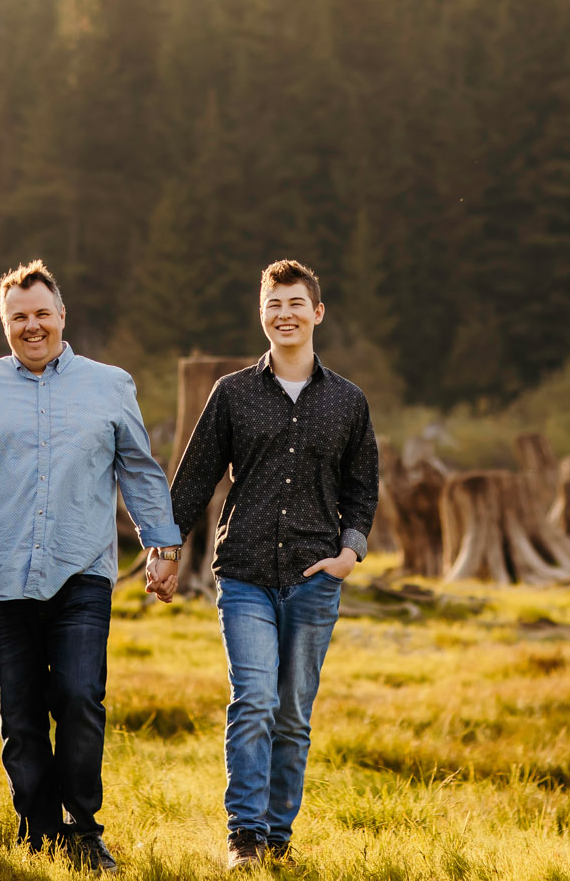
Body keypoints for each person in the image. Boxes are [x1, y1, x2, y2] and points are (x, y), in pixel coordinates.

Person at [0, 259, 183, 872]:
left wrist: (164, 546)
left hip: (81, 571)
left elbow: (140, 470)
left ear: (62, 316)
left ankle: (82, 825)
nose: (32, 326)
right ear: (4, 323)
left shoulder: (110, 385)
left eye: (42, 313)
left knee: (79, 696)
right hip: (1, 577)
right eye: (19, 317)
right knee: (18, 713)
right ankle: (38, 828)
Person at [155, 260, 379, 869]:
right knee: (252, 699)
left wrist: (349, 554)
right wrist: (167, 552)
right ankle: (245, 835)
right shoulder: (231, 393)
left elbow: (363, 488)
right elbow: (195, 477)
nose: (285, 314)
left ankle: (279, 837)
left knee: (293, 715)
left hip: (314, 578)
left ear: (317, 313)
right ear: (262, 313)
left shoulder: (348, 401)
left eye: (295, 303)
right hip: (246, 572)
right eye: (274, 304)